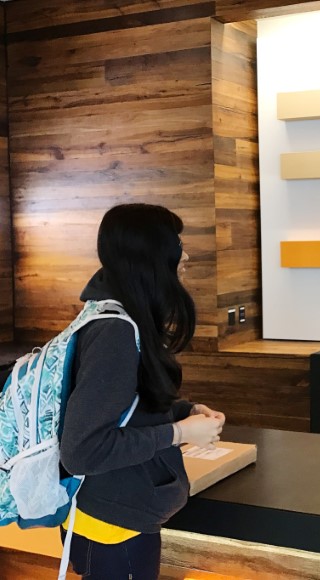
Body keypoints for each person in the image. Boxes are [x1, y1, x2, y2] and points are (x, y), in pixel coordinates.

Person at [59, 203, 225, 579]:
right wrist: (180, 433)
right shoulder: (115, 331)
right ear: (151, 253)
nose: (185, 254)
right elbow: (82, 450)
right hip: (112, 526)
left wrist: (185, 411)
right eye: (176, 243)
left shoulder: (111, 316)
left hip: (108, 518)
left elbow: (122, 407)